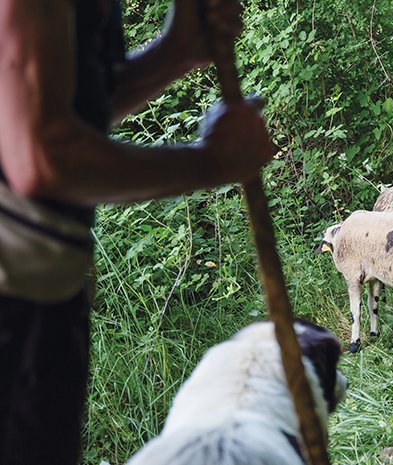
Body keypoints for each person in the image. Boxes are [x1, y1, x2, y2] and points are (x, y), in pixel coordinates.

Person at [0, 0, 272, 463]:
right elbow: (44, 156)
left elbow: (61, 107)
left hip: (45, 301)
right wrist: (211, 163)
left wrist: (174, 53)